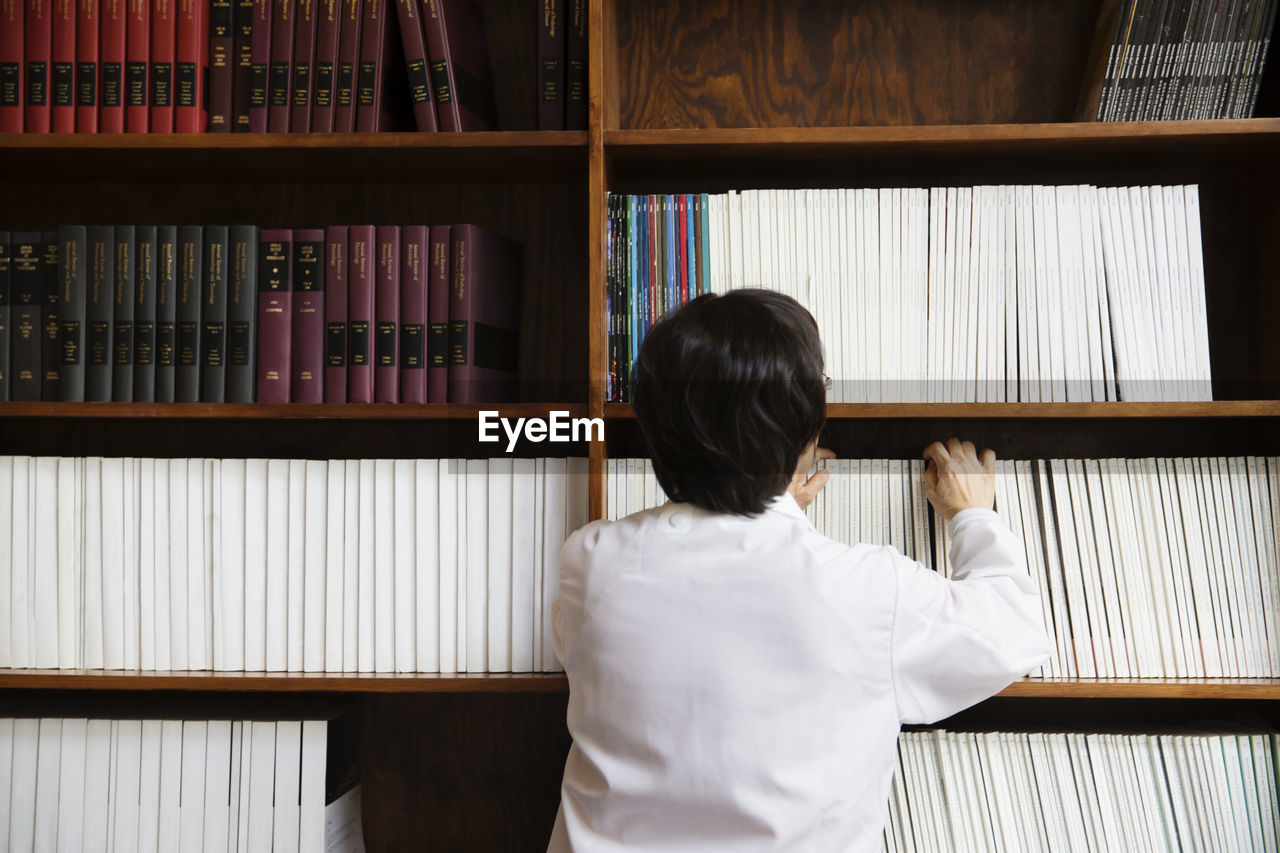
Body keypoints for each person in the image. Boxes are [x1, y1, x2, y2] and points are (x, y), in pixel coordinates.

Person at [548, 289, 1052, 852]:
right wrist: (972, 515)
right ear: (808, 432)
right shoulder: (869, 592)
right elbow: (1017, 631)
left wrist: (765, 494)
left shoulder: (589, 562)